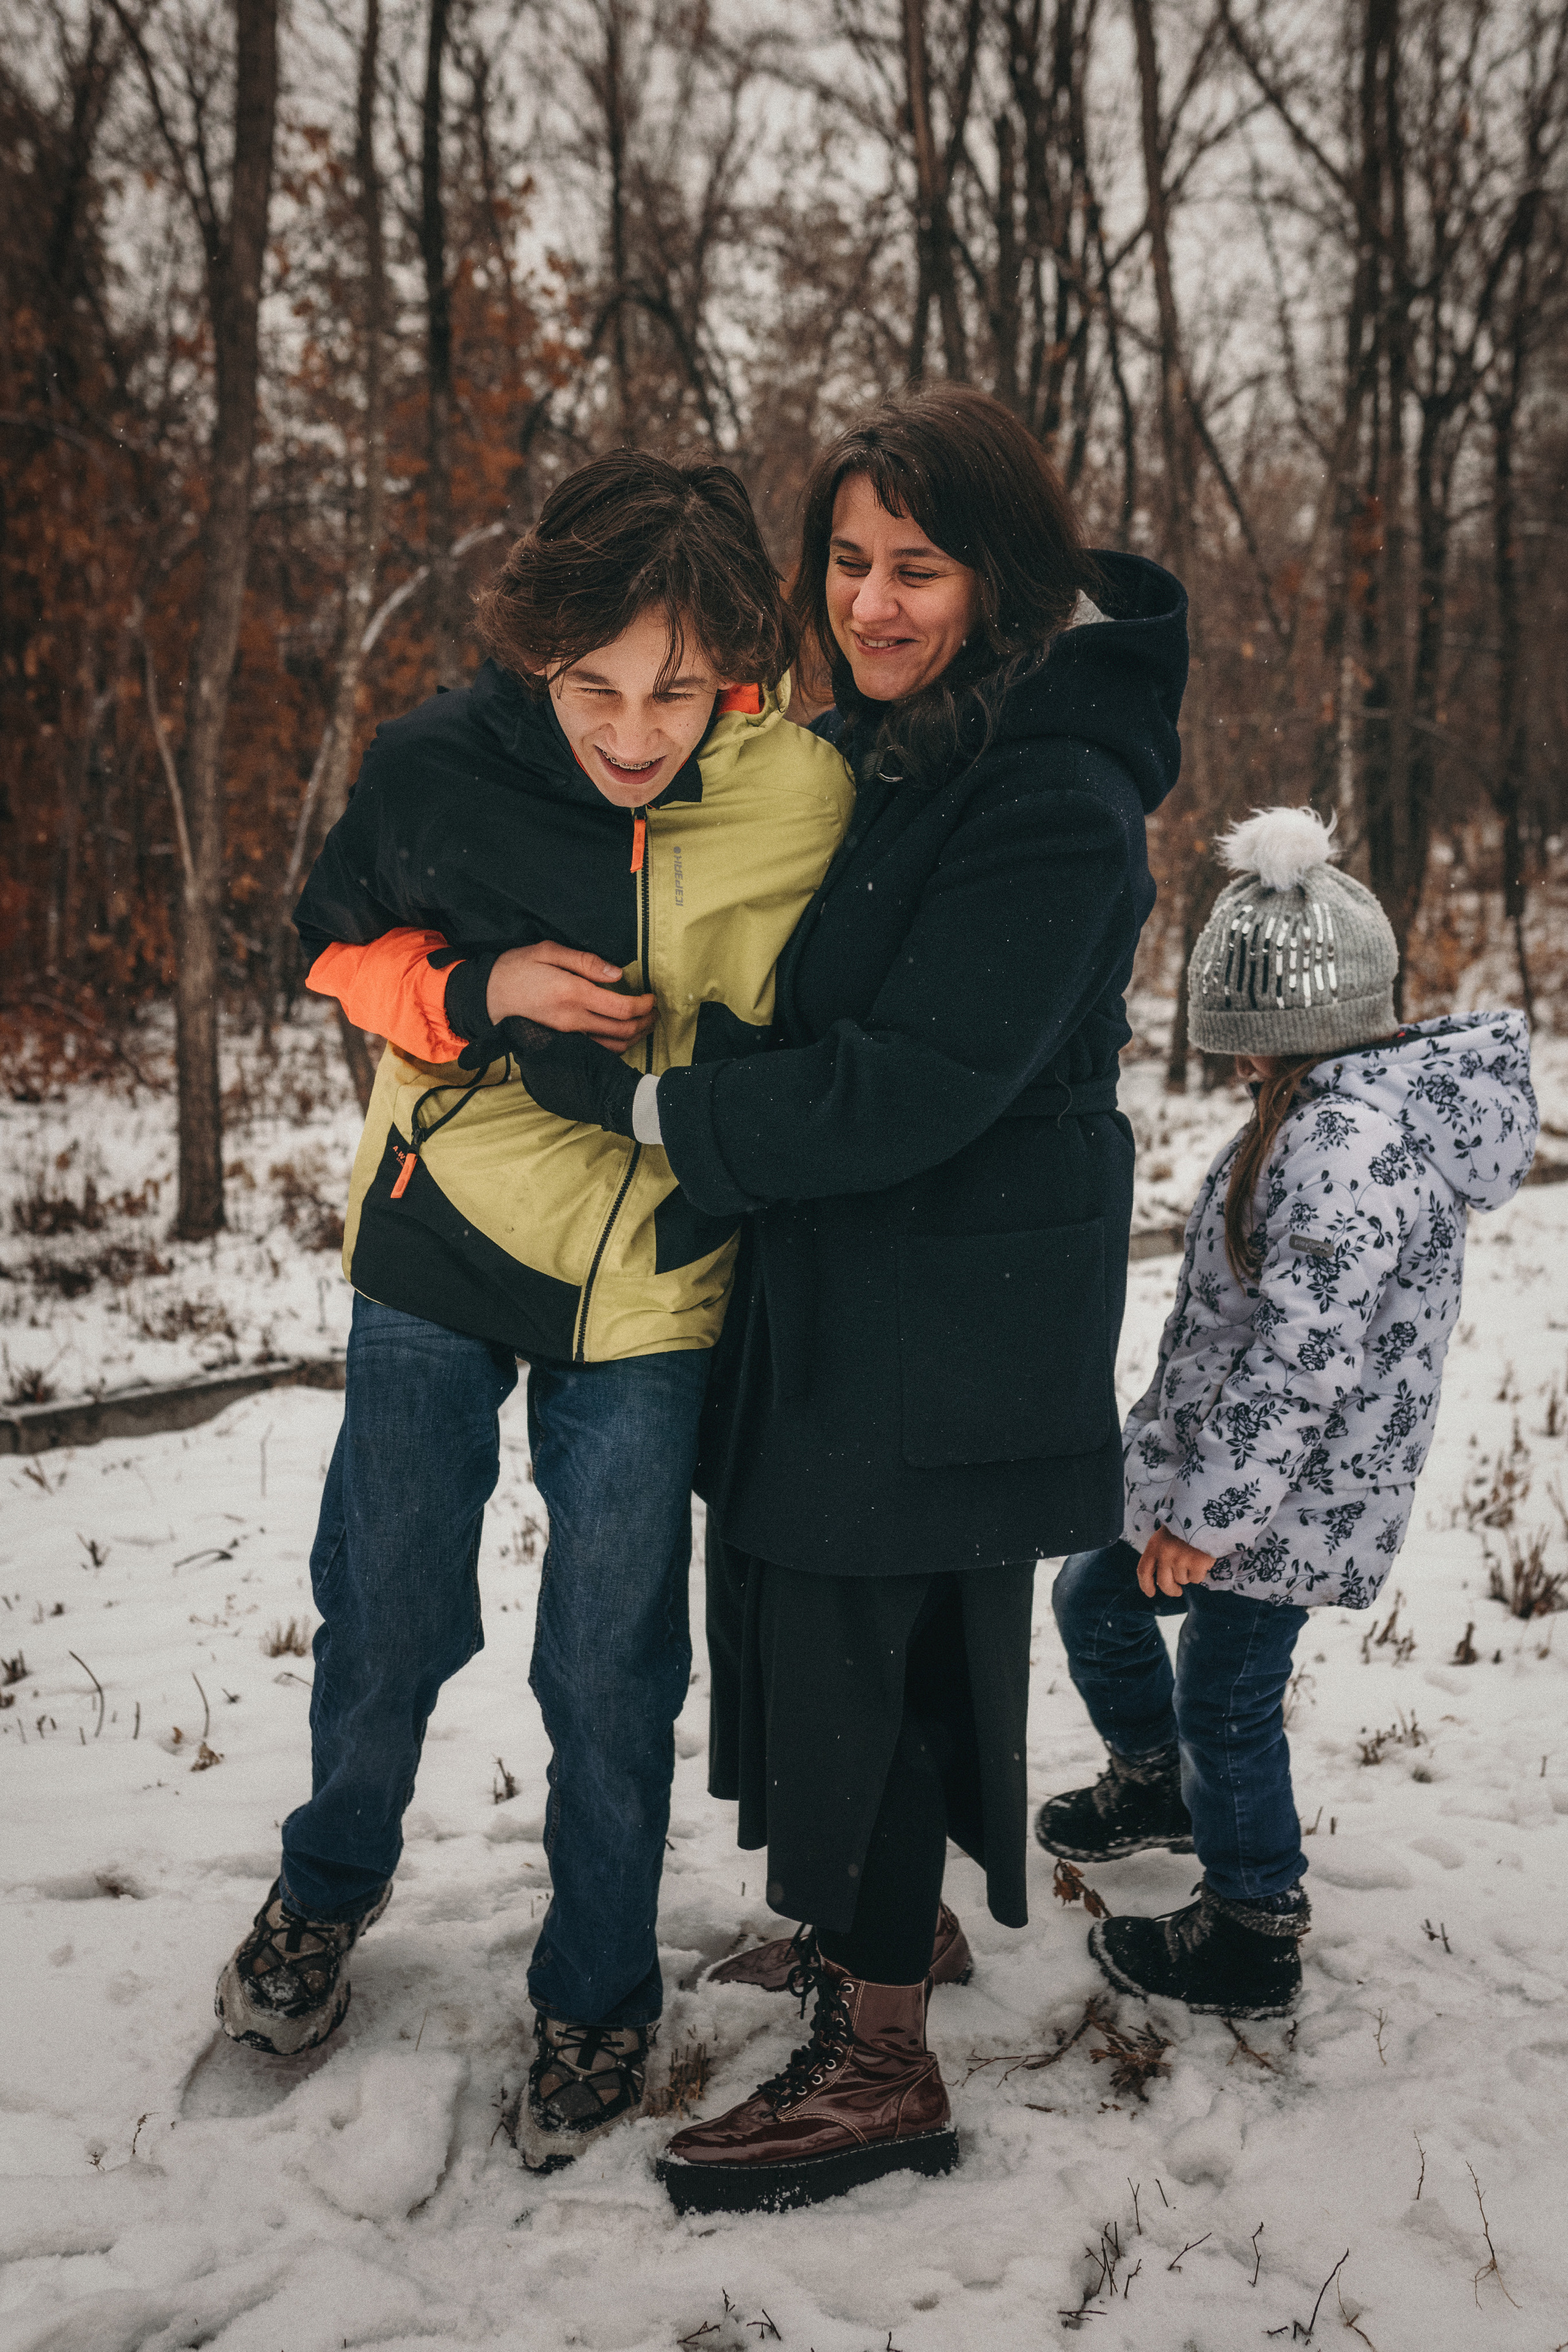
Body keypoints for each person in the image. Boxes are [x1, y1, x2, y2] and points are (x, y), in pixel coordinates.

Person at [510, 383, 1189, 2213]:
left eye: (921, 567)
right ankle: (890, 1942)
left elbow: (914, 1080)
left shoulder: (1054, 790)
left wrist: (654, 1107)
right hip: (867, 1285)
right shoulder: (917, 736)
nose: (872, 602)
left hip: (939, 1313)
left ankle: (878, 2063)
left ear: (1003, 576)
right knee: (850, 1639)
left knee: (859, 1658)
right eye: (851, 559)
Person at [212, 452, 853, 2168]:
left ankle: (594, 1994)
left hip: (651, 1267)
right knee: (391, 1601)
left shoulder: (802, 792)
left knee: (610, 1659)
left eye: (679, 690)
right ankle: (325, 1886)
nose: (636, 732)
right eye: (596, 688)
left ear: (737, 664)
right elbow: (330, 951)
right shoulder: (438, 763)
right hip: (440, 1226)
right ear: (538, 654)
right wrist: (477, 986)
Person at [1036, 804, 1538, 2019]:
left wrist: (1206, 1522)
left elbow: (1301, 1362)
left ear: (1283, 1032)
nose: (1229, 1068)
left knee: (1226, 1693)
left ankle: (1252, 1922)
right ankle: (1154, 1782)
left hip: (1289, 1498)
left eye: (1240, 1047)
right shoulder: (1311, 1116)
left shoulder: (1344, 1146)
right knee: (1094, 1593)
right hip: (1231, 1472)